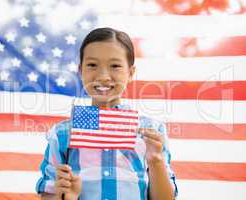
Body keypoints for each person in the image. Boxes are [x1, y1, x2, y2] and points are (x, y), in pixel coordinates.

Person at [36, 27, 178, 200]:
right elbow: (48, 195)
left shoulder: (151, 132)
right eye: (92, 65)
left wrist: (155, 160)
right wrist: (66, 196)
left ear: (131, 73)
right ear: (81, 71)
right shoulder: (63, 134)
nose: (103, 76)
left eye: (115, 66)